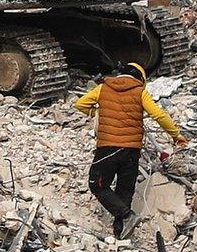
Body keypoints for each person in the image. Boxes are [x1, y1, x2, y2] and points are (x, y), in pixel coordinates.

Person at [72, 63, 184, 238]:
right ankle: (120, 233)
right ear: (140, 78)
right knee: (125, 190)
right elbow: (159, 115)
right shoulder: (140, 92)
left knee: (98, 185)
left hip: (107, 148)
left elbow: (80, 104)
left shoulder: (103, 89)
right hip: (131, 151)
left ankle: (126, 216)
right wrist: (176, 136)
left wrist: (99, 114)